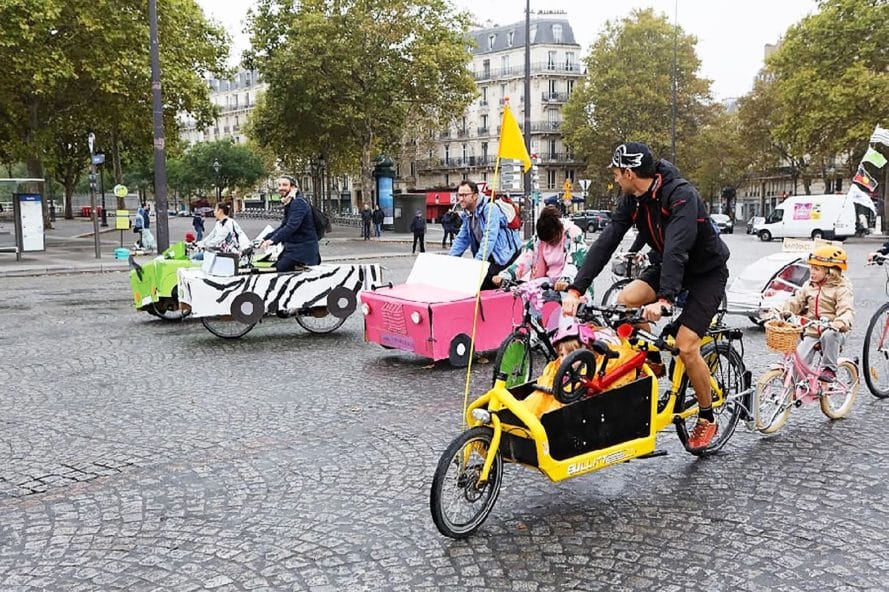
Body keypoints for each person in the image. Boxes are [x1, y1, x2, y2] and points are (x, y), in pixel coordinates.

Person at [561, 142, 730, 451]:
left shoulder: (681, 196)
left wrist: (665, 300)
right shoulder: (633, 199)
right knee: (626, 300)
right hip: (667, 264)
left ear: (629, 173)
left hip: (706, 272)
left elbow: (679, 248)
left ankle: (707, 416)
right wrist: (577, 288)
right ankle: (653, 358)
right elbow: (609, 239)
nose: (614, 179)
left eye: (615, 173)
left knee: (687, 346)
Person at [773, 246, 853, 382]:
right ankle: (795, 390)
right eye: (811, 268)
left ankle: (829, 369)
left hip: (833, 331)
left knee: (829, 335)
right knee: (798, 364)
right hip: (812, 330)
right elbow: (795, 301)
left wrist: (839, 323)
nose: (812, 272)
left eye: (817, 269)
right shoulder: (809, 285)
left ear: (830, 272)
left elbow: (846, 310)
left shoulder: (841, 288)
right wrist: (779, 310)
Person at [491, 205, 592, 300]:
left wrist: (566, 280)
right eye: (546, 242)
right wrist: (506, 275)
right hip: (549, 283)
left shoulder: (574, 234)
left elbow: (575, 262)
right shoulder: (538, 240)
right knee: (526, 293)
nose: (549, 244)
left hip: (572, 284)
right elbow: (524, 260)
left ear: (559, 230)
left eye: (552, 241)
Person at [449, 180, 521, 290]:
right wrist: (450, 261)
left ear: (475, 196)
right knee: (478, 287)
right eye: (459, 195)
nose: (461, 199)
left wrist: (478, 264)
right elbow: (462, 239)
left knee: (484, 288)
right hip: (490, 257)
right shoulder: (468, 214)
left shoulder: (490, 208)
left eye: (465, 195)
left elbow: (489, 237)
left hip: (504, 257)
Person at [259, 175, 320, 272]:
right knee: (276, 267)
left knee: (279, 269)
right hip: (293, 249)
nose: (280, 188)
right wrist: (264, 238)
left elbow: (291, 226)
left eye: (284, 185)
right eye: (279, 185)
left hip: (303, 251)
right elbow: (283, 226)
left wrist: (272, 241)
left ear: (293, 187)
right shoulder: (290, 202)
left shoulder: (298, 203)